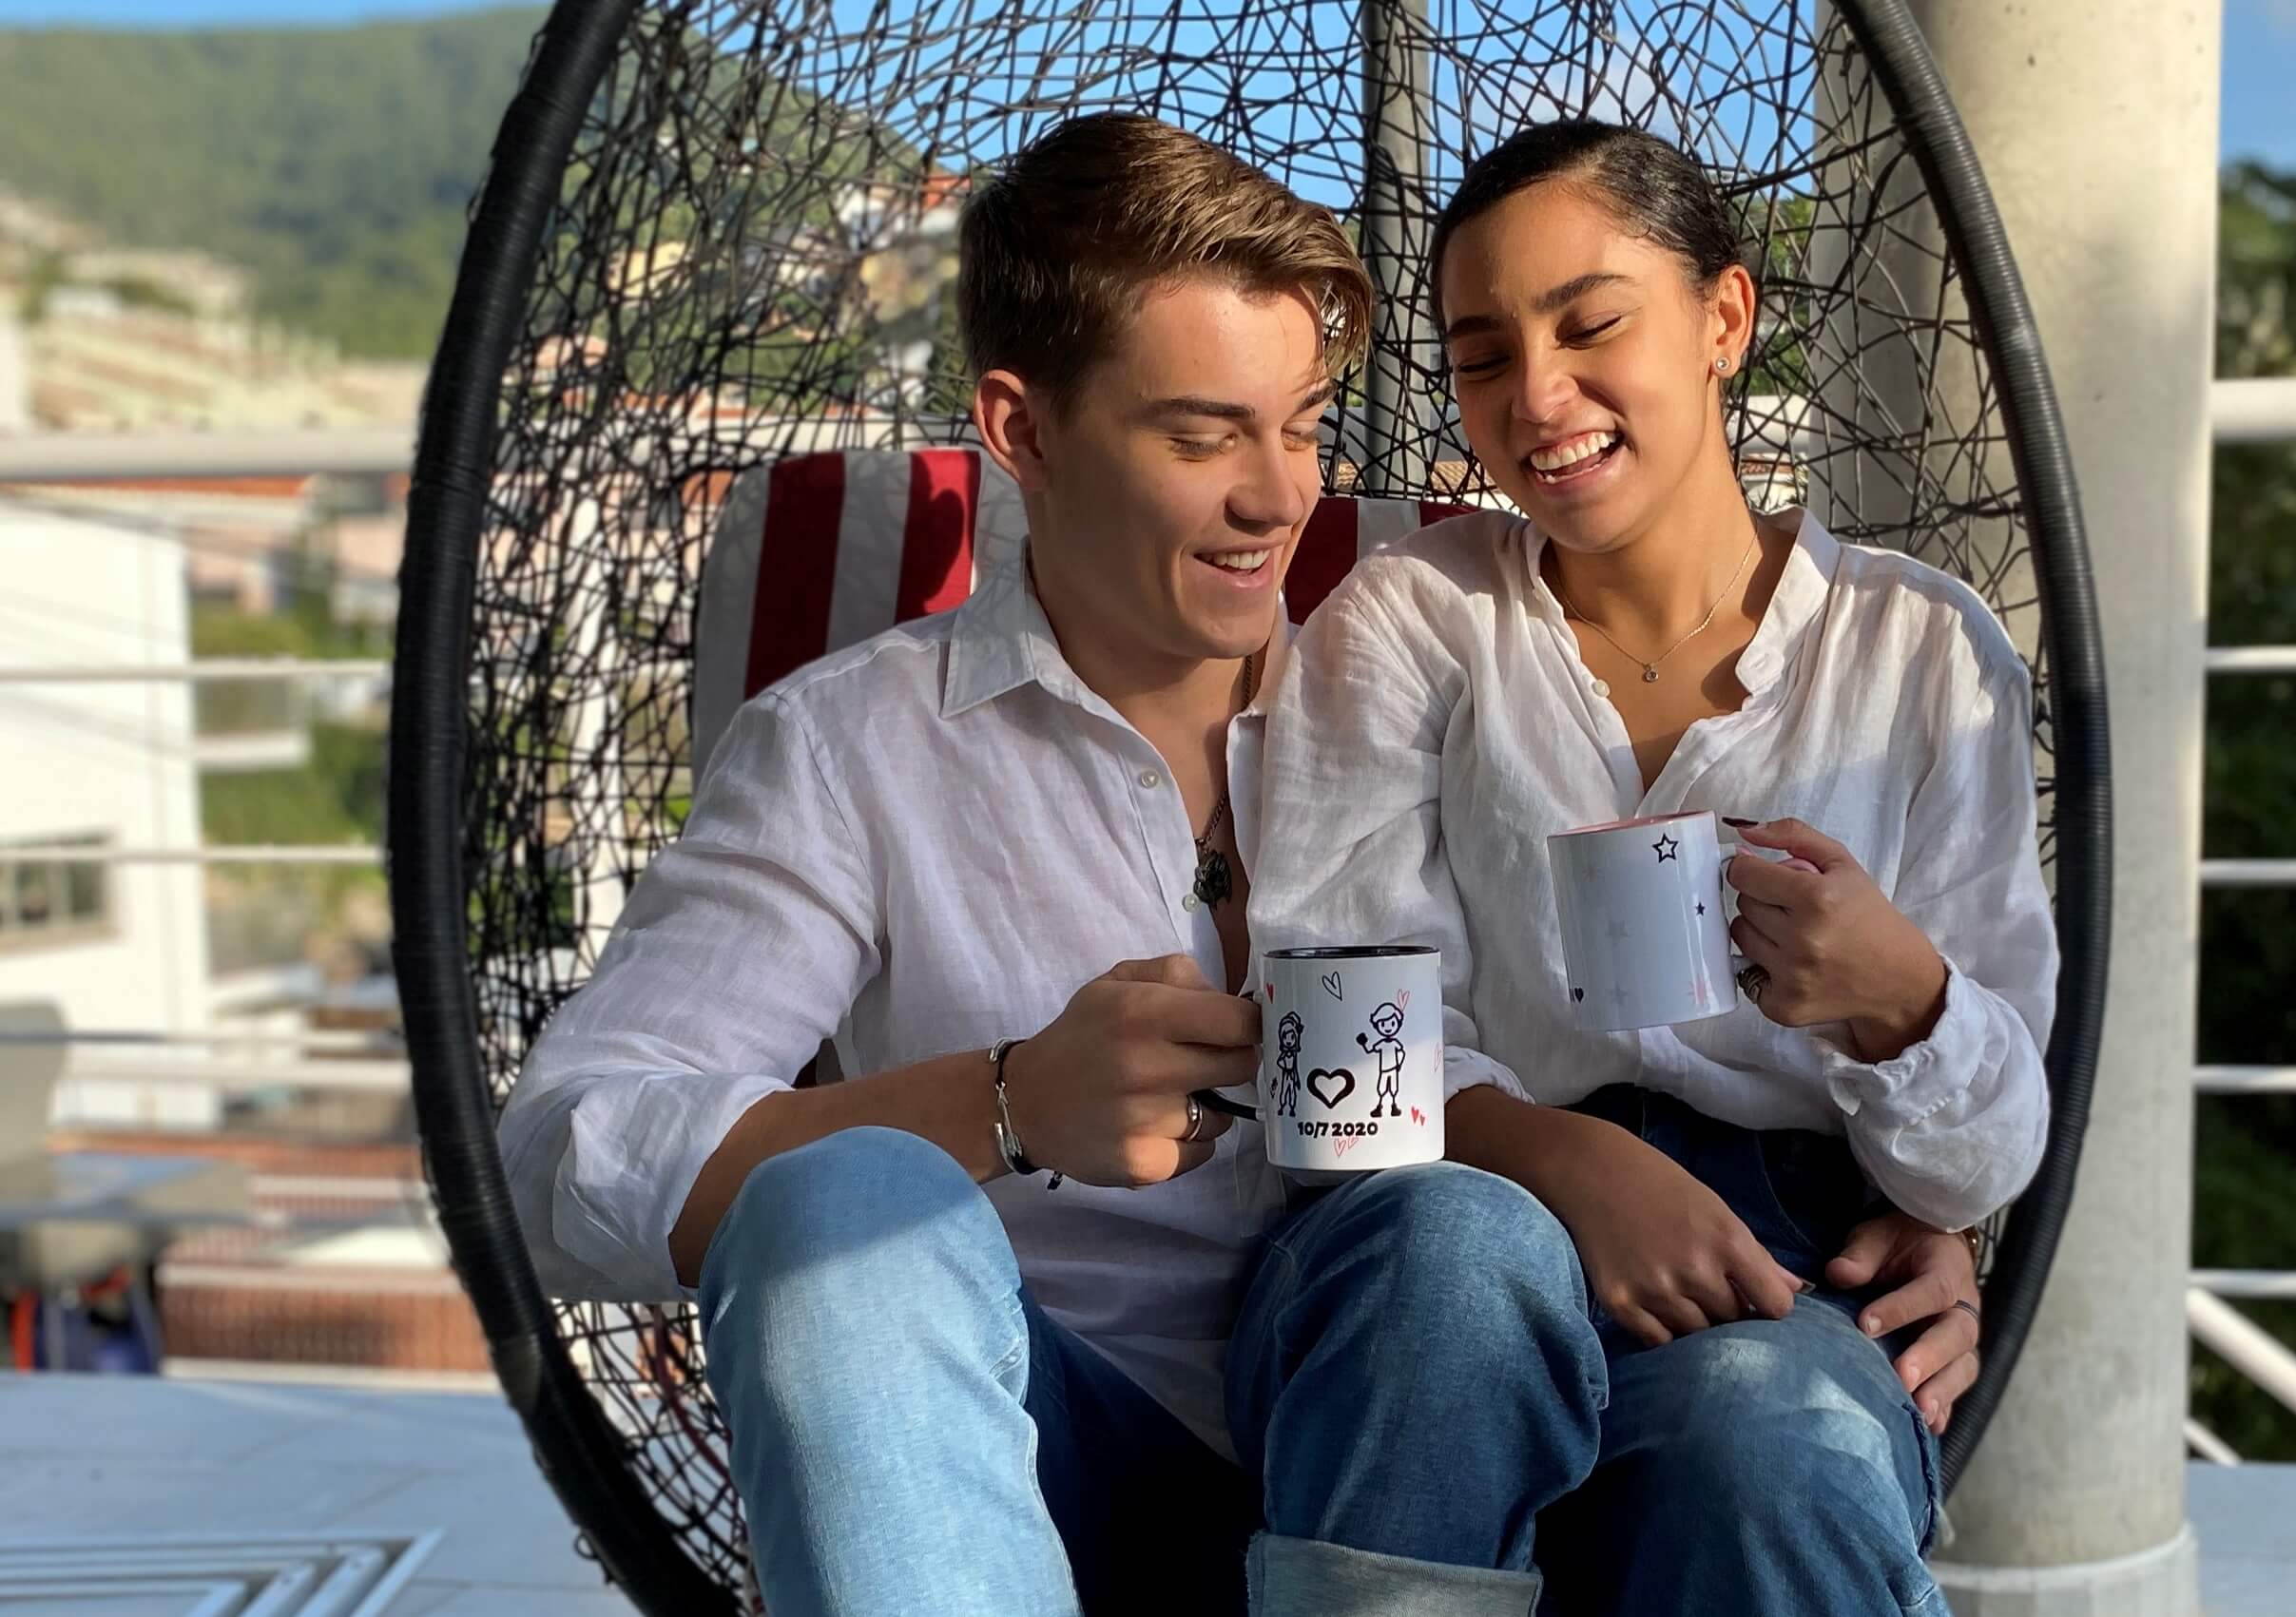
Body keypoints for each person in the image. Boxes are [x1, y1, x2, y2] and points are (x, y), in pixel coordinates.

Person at [495, 111, 1990, 1617]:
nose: (1279, 497)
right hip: (1053, 1477)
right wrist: (1005, 1102)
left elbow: (1668, 1044)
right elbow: (567, 1150)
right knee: (839, 1205)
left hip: (1494, 1445)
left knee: (1552, 1300)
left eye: (1302, 423)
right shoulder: (848, 749)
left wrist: (1918, 1188)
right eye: (1203, 435)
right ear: (1022, 431)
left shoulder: (1434, 690)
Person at [1248, 119, 2057, 1617]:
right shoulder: (1413, 622)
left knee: (1775, 1438)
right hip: (1439, 1214)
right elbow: (1327, 1063)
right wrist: (1572, 1168)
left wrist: (1900, 999)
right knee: (1452, 1268)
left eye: (1591, 322)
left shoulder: (1923, 652)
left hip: (1784, 1264)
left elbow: (1981, 1161)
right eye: (1485, 354)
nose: (1537, 396)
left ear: (1725, 320)